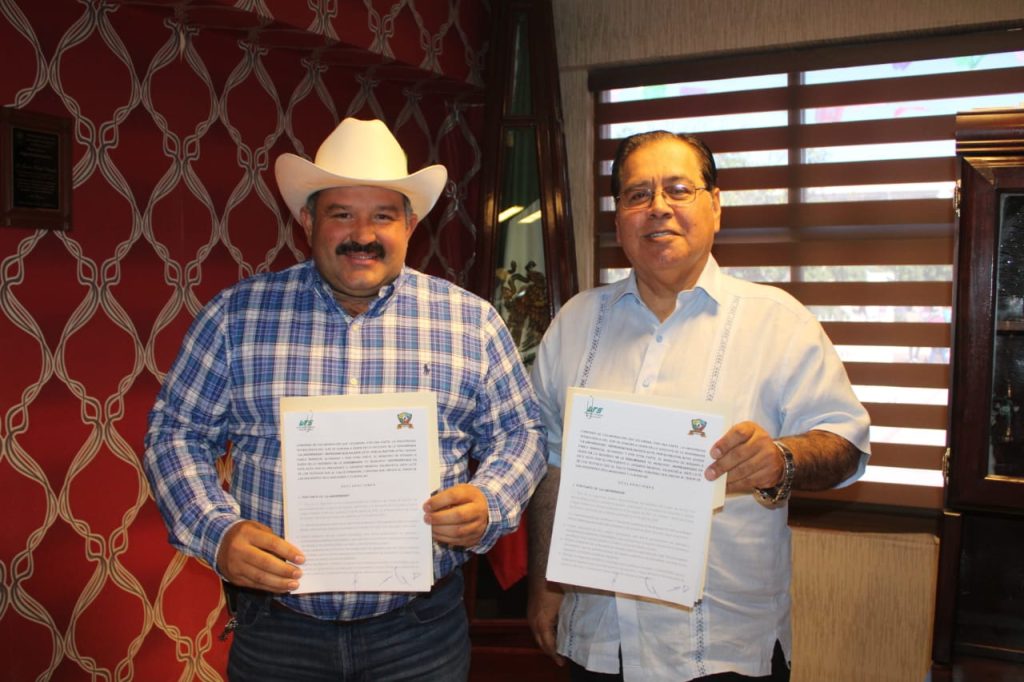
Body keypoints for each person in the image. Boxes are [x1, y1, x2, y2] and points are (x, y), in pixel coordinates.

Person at [144, 117, 547, 681]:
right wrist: (218, 532)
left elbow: (521, 433)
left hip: (420, 635)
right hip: (278, 632)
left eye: (383, 215)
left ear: (410, 224)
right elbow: (175, 433)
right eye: (341, 214)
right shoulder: (236, 317)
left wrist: (490, 501)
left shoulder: (470, 322)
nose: (363, 233)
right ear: (309, 221)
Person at [526, 130, 870, 681]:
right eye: (638, 194)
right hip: (599, 640)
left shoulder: (778, 321)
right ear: (619, 218)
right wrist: (544, 584)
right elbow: (552, 464)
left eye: (679, 189)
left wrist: (779, 459)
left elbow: (846, 445)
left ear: (716, 206)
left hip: (725, 645)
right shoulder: (574, 324)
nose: (658, 207)